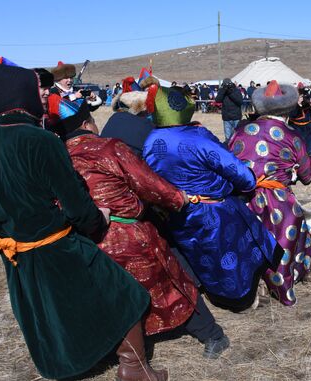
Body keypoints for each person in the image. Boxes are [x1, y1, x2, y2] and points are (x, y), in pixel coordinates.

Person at [0, 49, 167, 381]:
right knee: (125, 292)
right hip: (52, 244)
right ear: (21, 95)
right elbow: (75, 204)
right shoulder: (42, 141)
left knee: (47, 312)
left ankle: (64, 364)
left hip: (13, 249)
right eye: (37, 89)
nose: (44, 94)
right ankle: (136, 370)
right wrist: (97, 219)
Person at [58, 99, 230, 359]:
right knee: (173, 282)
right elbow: (148, 183)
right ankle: (212, 334)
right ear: (86, 124)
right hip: (132, 236)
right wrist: (177, 198)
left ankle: (127, 350)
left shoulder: (57, 158)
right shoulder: (109, 148)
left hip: (89, 241)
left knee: (111, 295)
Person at [140, 81, 282, 311]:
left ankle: (217, 294)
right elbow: (245, 178)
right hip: (216, 211)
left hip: (178, 214)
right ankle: (243, 297)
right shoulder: (199, 138)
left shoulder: (149, 142)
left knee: (203, 256)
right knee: (234, 254)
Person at [228, 80, 311, 306]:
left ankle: (256, 284)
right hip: (278, 201)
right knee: (287, 235)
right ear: (288, 108)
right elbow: (306, 176)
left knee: (249, 241)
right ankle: (285, 284)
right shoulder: (292, 135)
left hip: (243, 199)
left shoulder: (241, 131)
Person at [47, 61, 102, 127]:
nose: (69, 80)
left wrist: (93, 99)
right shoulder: (52, 92)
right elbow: (57, 108)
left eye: (71, 77)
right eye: (66, 78)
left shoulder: (76, 90)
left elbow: (89, 109)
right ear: (59, 79)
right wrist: (73, 97)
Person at [289, 85, 311, 156]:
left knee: (309, 148)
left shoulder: (308, 98)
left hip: (308, 126)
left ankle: (309, 161)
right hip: (296, 127)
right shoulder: (292, 100)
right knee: (297, 148)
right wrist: (298, 104)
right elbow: (292, 114)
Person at [215, 78, 243, 142]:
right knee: (228, 138)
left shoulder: (236, 90)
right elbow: (217, 100)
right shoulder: (222, 91)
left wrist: (230, 93)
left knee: (237, 136)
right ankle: (228, 150)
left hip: (236, 117)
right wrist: (223, 90)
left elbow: (240, 102)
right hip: (227, 117)